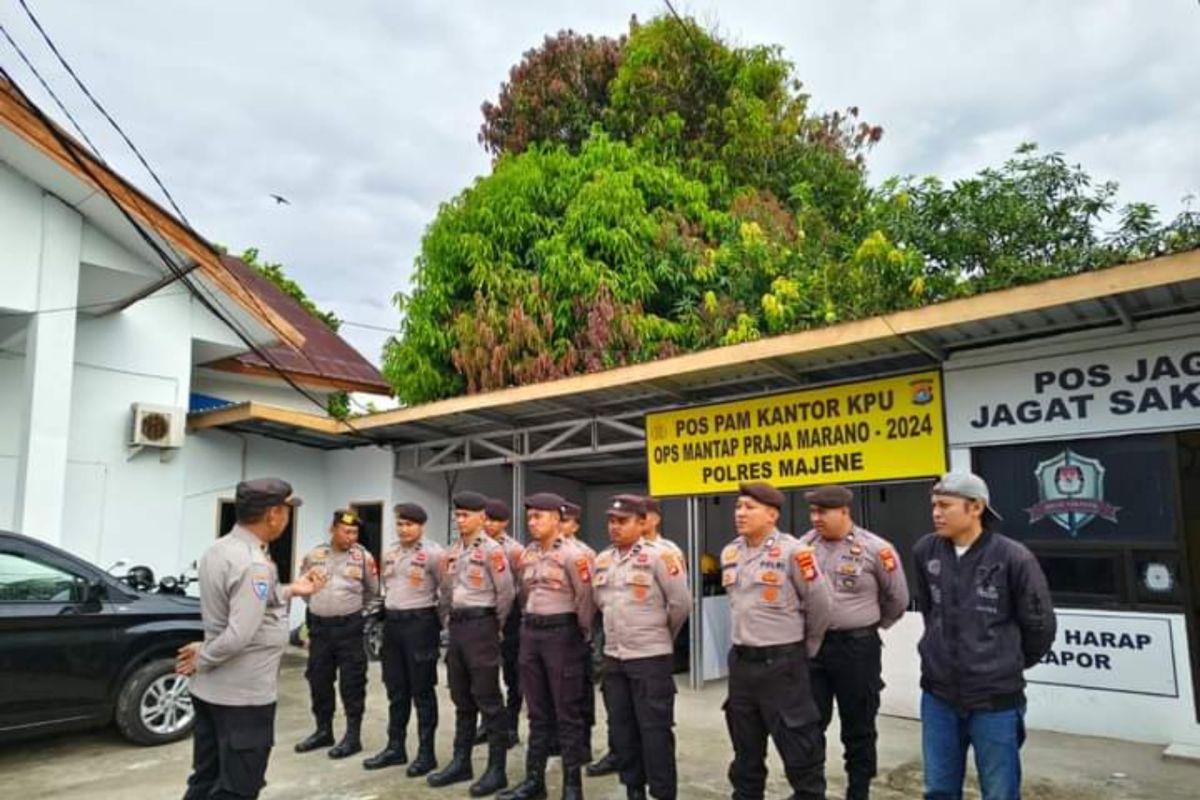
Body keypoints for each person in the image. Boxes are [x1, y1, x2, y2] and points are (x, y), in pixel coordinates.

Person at [177, 478, 324, 800]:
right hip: (242, 698)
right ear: (273, 514)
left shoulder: (219, 549)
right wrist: (203, 657)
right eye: (286, 511)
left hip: (212, 693)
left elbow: (255, 600)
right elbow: (238, 634)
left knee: (206, 777)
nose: (287, 518)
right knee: (239, 787)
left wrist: (293, 590)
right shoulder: (254, 563)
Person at [914, 473, 1056, 800]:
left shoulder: (1012, 557)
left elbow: (1039, 625)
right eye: (934, 505)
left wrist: (1002, 661)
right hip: (938, 696)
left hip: (995, 701)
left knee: (1000, 790)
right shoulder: (926, 551)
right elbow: (930, 612)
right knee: (938, 788)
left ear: (975, 507)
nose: (936, 513)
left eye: (945, 505)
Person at [722, 481, 834, 800]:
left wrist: (803, 649)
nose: (740, 513)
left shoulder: (795, 552)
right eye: (738, 507)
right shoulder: (731, 551)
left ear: (771, 515)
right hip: (742, 665)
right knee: (745, 750)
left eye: (749, 508)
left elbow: (821, 606)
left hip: (782, 665)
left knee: (799, 746)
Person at [798, 485, 909, 800]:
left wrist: (870, 626)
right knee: (808, 724)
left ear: (845, 512)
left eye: (823, 512)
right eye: (813, 511)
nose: (815, 518)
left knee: (859, 726)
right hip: (814, 649)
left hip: (857, 650)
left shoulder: (876, 549)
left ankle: (858, 791)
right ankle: (810, 791)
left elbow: (897, 599)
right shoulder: (803, 547)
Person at [592, 494, 691, 800]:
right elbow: (599, 602)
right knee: (622, 731)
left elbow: (681, 604)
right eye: (611, 521)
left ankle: (662, 794)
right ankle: (633, 790)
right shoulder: (603, 559)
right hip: (615, 658)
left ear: (641, 523)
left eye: (622, 521)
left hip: (650, 658)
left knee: (655, 733)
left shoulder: (662, 556)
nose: (614, 527)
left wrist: (660, 637)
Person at [499, 493, 596, 800]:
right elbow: (525, 595)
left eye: (539, 516)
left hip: (563, 635)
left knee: (567, 712)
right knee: (537, 711)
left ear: (557, 518)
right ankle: (534, 781)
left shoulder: (574, 554)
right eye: (529, 517)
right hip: (531, 633)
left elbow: (586, 600)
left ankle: (571, 786)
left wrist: (578, 633)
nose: (532, 522)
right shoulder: (526, 554)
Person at [428, 491, 517, 797]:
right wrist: (449, 624)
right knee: (461, 696)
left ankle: (497, 770)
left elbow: (506, 594)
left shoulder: (493, 551)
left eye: (466, 515)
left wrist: (494, 625)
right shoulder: (453, 551)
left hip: (482, 626)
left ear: (482, 517)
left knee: (489, 698)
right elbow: (446, 591)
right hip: (458, 628)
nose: (460, 520)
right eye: (458, 515)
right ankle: (461, 761)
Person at [363, 502, 445, 776]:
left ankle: (426, 753)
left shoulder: (434, 554)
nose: (403, 529)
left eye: (409, 524)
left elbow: (446, 592)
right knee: (396, 690)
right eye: (399, 523)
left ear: (421, 526)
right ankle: (395, 747)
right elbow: (388, 589)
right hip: (394, 625)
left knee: (422, 691)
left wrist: (439, 624)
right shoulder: (390, 554)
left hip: (421, 624)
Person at [294, 509, 379, 760]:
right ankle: (323, 731)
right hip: (320, 629)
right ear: (333, 529)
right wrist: (318, 607)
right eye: (346, 531)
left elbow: (372, 592)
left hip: (349, 629)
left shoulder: (363, 557)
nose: (351, 536)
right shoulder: (315, 555)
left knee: (352, 682)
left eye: (354, 532)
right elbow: (305, 586)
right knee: (319, 680)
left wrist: (353, 614)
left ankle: (353, 736)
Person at [476, 497, 526, 750]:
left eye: (494, 521)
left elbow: (521, 586)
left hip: (511, 618)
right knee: (484, 674)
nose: (488, 524)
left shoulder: (515, 550)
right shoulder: (474, 545)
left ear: (505, 523)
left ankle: (511, 726)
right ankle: (487, 723)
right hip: (483, 617)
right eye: (485, 519)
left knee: (512, 675)